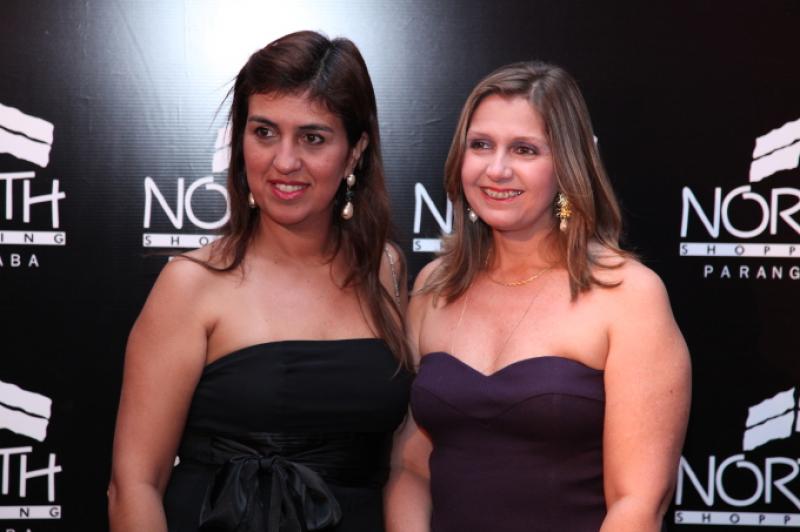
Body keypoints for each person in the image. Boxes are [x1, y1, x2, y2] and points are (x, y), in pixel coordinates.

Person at [108, 31, 412, 532]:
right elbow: (134, 484)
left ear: (354, 152)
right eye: (265, 132)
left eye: (313, 138)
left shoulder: (387, 269)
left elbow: (406, 460)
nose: (284, 161)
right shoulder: (191, 284)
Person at [385, 61, 691, 532]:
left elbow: (637, 503)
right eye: (480, 145)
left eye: (524, 149)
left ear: (567, 166)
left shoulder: (627, 295)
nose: (497, 169)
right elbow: (411, 468)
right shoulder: (434, 286)